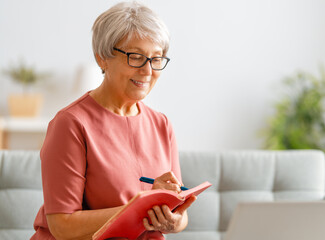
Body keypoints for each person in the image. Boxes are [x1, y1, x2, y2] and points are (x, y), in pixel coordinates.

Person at [31, 2, 196, 240]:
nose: (148, 70)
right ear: (102, 58)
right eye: (136, 57)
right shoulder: (71, 123)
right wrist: (140, 209)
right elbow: (62, 225)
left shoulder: (162, 125)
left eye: (156, 59)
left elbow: (180, 214)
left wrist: (172, 221)